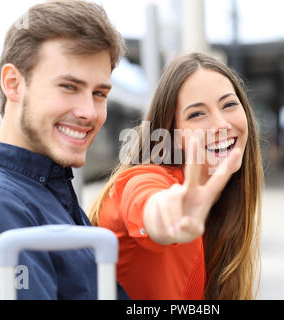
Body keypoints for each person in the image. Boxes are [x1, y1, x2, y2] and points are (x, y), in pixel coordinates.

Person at [0, 1, 129, 300]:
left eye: (99, 93)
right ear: (13, 84)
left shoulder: (45, 194)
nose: (88, 112)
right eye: (69, 86)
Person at [89, 52, 264, 300]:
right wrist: (170, 214)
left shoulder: (227, 209)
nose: (221, 124)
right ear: (172, 134)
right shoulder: (141, 180)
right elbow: (149, 203)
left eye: (229, 105)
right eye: (196, 114)